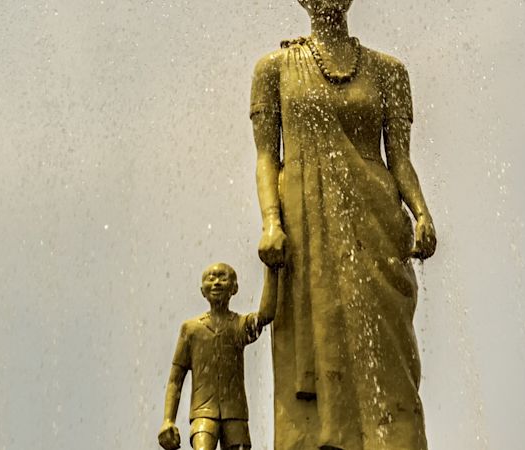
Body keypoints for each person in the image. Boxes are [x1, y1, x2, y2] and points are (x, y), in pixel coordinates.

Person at [250, 1, 437, 449]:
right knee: (320, 337)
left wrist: (422, 212)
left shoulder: (389, 71)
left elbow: (400, 159)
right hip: (306, 222)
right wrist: (271, 222)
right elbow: (265, 157)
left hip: (376, 221)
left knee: (389, 349)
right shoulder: (274, 68)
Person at [158, 263, 262, 450]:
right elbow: (175, 379)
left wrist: (273, 269)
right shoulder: (191, 330)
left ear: (234, 288)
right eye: (211, 278)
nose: (216, 283)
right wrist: (168, 420)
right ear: (202, 291)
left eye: (223, 278)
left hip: (235, 414)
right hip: (203, 414)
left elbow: (266, 315)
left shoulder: (239, 325)